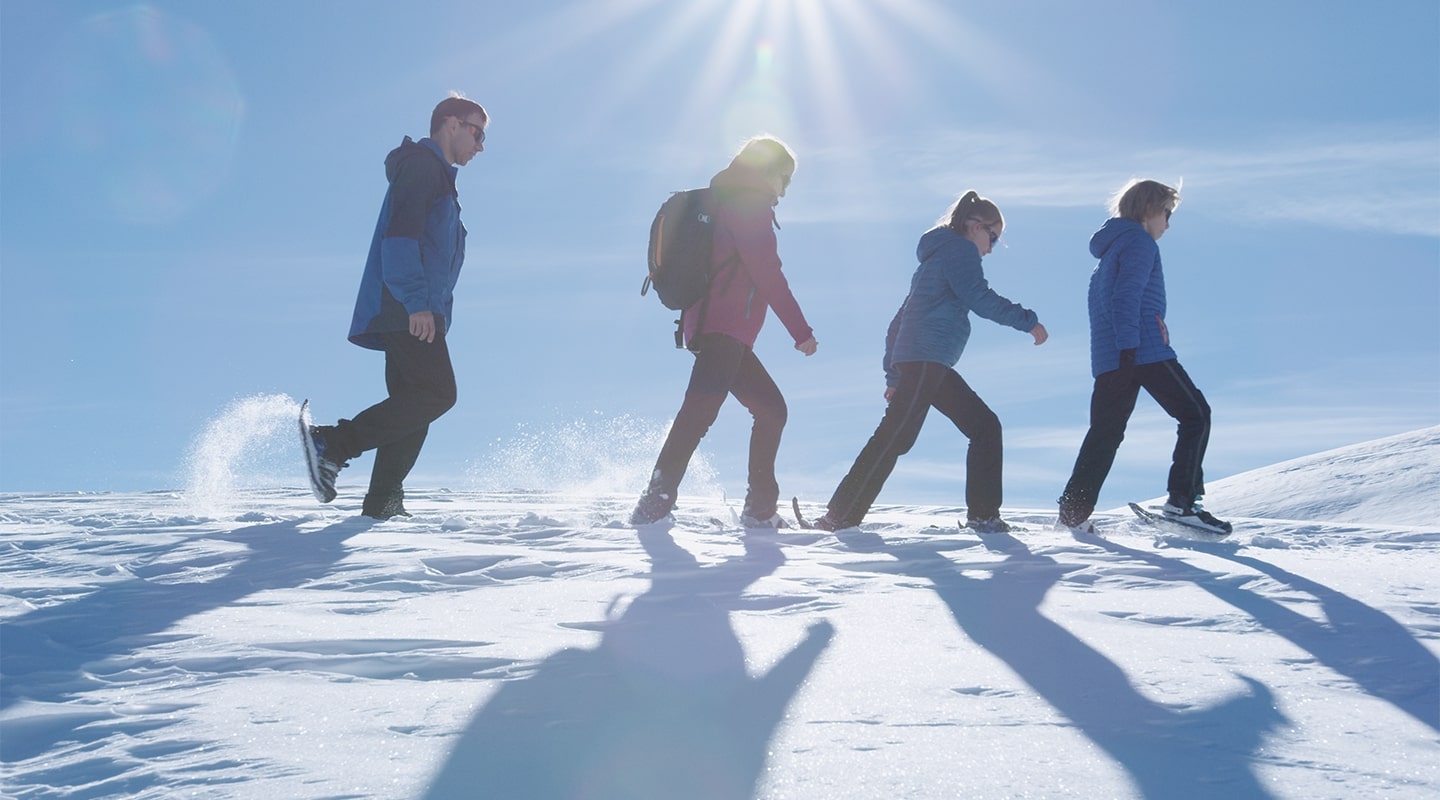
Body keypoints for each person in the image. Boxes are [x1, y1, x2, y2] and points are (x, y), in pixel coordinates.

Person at [809, 191, 1048, 534]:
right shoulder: (959, 251)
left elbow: (900, 319)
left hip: (927, 363)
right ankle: (838, 517)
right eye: (992, 237)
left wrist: (893, 374)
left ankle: (984, 516)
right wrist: (1028, 321)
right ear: (974, 226)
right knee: (896, 437)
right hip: (925, 360)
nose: (991, 248)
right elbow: (979, 298)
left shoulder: (936, 257)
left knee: (984, 427)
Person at [301, 94, 488, 520]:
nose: (480, 146)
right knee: (438, 394)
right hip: (407, 306)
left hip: (413, 306)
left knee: (413, 405)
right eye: (478, 133)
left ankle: (382, 504)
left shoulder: (436, 176)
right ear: (451, 124)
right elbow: (400, 240)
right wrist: (417, 304)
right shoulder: (423, 168)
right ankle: (332, 444)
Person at [629, 136, 818, 528]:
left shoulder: (729, 200)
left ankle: (754, 508)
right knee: (701, 413)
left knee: (768, 410)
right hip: (724, 327)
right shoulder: (749, 205)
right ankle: (655, 504)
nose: (786, 188)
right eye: (786, 178)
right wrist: (801, 332)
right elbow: (769, 276)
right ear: (771, 172)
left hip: (716, 327)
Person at [1056, 179, 1230, 535]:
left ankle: (1073, 514)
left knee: (1105, 433)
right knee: (1196, 414)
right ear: (1150, 210)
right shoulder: (1139, 242)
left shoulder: (1110, 251)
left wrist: (1122, 347)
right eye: (1167, 212)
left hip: (1112, 358)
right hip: (1142, 350)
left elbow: (1107, 303)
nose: (1168, 222)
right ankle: (1182, 503)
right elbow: (1126, 297)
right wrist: (1132, 345)